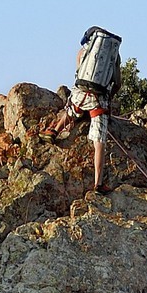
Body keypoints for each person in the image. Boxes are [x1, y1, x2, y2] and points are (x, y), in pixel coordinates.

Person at [54, 26, 122, 191]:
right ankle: (98, 183)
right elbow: (117, 83)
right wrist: (109, 97)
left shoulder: (82, 53)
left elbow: (79, 75)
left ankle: (53, 131)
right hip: (99, 102)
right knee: (99, 143)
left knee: (72, 111)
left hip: (79, 96)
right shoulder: (114, 56)